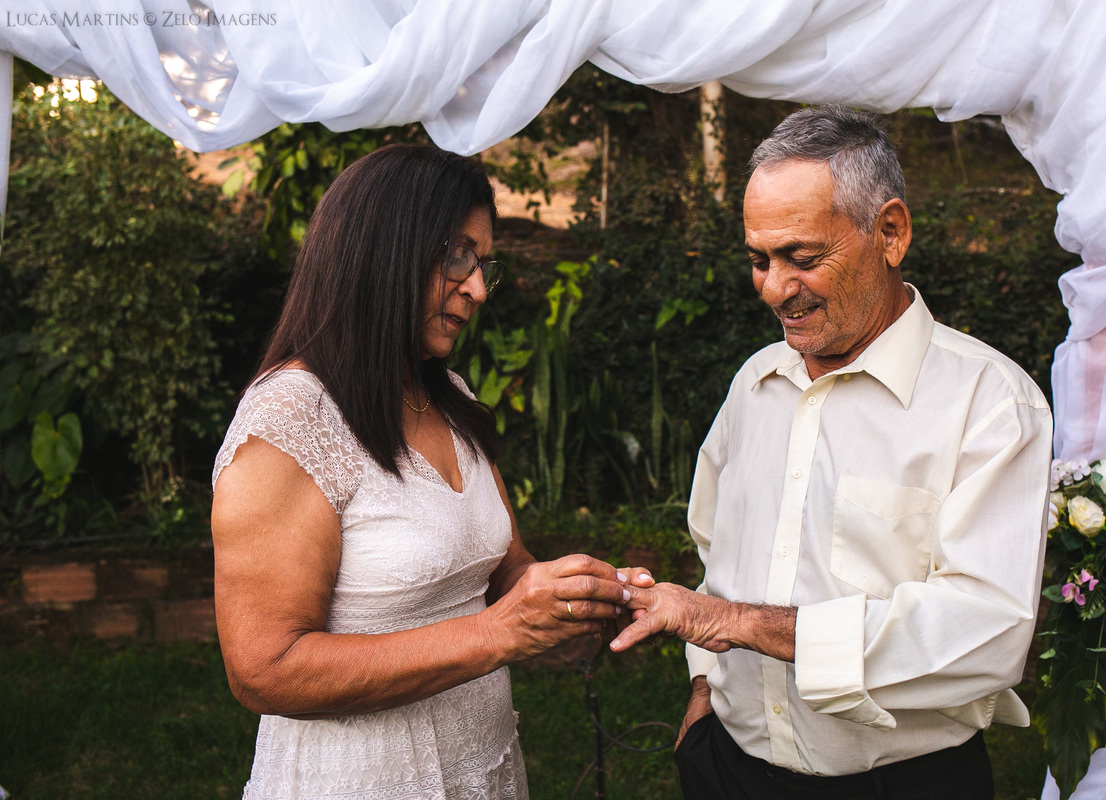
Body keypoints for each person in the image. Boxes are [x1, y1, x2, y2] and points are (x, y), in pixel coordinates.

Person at [611, 107, 1054, 799]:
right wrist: (703, 685)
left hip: (904, 784)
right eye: (759, 259)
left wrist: (736, 625)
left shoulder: (989, 402)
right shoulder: (756, 384)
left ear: (890, 233)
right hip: (726, 767)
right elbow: (712, 552)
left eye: (803, 258)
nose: (773, 288)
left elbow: (986, 633)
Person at [211, 144, 648, 800]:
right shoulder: (290, 422)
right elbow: (264, 670)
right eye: (457, 256)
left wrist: (579, 596)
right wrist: (496, 634)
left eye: (482, 266)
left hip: (487, 770)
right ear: (384, 249)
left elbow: (506, 572)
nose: (475, 287)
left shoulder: (452, 398)